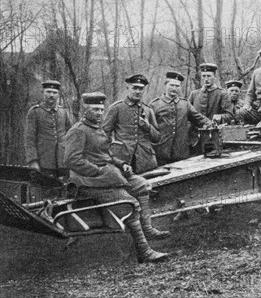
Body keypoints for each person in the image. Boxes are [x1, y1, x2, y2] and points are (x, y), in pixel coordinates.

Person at [65, 92, 169, 263]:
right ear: (85, 109)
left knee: (142, 185)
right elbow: (72, 160)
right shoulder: (78, 131)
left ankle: (148, 228)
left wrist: (121, 164)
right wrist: (97, 171)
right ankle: (144, 251)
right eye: (95, 109)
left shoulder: (97, 129)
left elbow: (105, 154)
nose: (99, 113)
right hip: (90, 183)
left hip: (108, 177)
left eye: (101, 110)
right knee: (128, 203)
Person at [150, 71, 212, 165]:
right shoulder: (154, 105)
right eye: (171, 85)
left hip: (181, 152)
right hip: (160, 153)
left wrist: (212, 123)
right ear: (165, 85)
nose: (174, 88)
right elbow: (148, 129)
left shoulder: (185, 104)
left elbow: (199, 119)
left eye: (177, 86)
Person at [102, 74, 160, 174]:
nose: (137, 91)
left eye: (141, 89)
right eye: (134, 88)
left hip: (145, 160)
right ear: (128, 88)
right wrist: (111, 155)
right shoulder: (117, 108)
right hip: (123, 159)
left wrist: (147, 126)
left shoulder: (148, 110)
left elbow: (157, 138)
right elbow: (104, 135)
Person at [24, 80, 73, 179]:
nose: (51, 95)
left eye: (54, 93)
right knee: (44, 190)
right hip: (44, 162)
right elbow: (29, 139)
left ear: (58, 95)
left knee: (64, 191)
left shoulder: (63, 112)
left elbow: (71, 135)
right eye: (48, 92)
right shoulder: (34, 112)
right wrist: (33, 161)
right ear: (43, 93)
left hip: (62, 163)